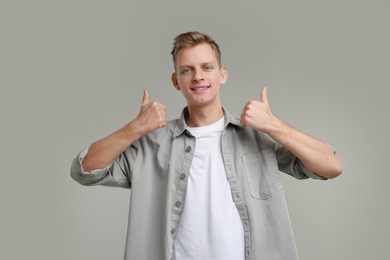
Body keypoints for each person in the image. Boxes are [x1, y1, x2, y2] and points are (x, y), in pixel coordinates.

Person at [71, 31, 342, 260]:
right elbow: (84, 170)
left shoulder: (257, 135)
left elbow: (331, 166)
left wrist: (274, 126)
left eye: (207, 67)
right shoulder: (151, 144)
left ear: (222, 74)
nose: (198, 77)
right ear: (176, 81)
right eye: (187, 70)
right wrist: (135, 128)